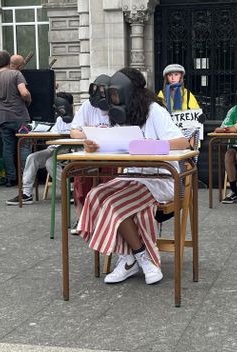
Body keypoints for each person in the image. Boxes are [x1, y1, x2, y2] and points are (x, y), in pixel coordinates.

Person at [78, 68, 195, 285]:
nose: (113, 100)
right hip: (133, 176)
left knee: (113, 203)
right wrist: (93, 145)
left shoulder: (154, 111)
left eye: (115, 95)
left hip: (160, 179)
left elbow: (182, 142)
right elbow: (116, 147)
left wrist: (152, 146)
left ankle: (141, 258)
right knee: (95, 194)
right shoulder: (120, 115)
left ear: (128, 92)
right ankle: (130, 257)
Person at [67, 74, 112, 232]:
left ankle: (105, 217)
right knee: (80, 175)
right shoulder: (88, 106)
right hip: (91, 152)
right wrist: (89, 136)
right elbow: (74, 131)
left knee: (110, 177)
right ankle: (81, 218)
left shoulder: (119, 104)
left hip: (112, 155)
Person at [14, 92, 74, 205]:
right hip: (53, 148)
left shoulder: (77, 117)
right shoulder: (60, 119)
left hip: (68, 148)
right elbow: (54, 133)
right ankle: (26, 193)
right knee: (32, 157)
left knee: (50, 162)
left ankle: (69, 191)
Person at [0, 50, 31, 200]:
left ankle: (10, 178)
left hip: (3, 118)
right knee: (24, 145)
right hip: (20, 117)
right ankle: (26, 179)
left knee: (8, 147)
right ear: (9, 61)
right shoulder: (16, 74)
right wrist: (28, 100)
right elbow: (24, 93)